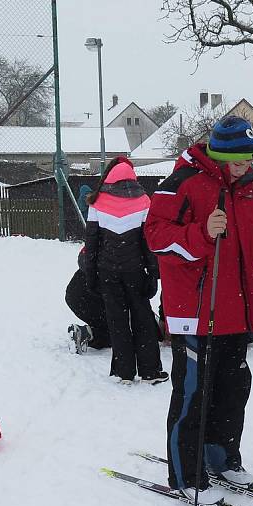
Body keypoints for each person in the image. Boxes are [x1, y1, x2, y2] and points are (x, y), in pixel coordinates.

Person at [145, 115, 253, 504]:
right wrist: (200, 233)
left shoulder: (250, 190)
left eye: (250, 156)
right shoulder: (182, 182)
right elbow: (156, 238)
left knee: (233, 390)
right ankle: (187, 475)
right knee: (194, 393)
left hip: (236, 310)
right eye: (238, 157)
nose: (245, 163)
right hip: (195, 310)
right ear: (218, 153)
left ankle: (222, 457)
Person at [84, 156, 168, 385]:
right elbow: (149, 245)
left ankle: (124, 372)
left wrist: (91, 275)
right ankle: (150, 370)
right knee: (142, 318)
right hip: (135, 272)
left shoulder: (97, 202)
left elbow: (92, 244)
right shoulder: (144, 201)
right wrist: (153, 275)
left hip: (107, 272)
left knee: (117, 321)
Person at [66, 247, 111, 353]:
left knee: (113, 328)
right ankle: (85, 334)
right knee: (121, 332)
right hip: (92, 295)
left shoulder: (99, 236)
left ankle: (85, 333)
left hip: (75, 291)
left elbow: (83, 258)